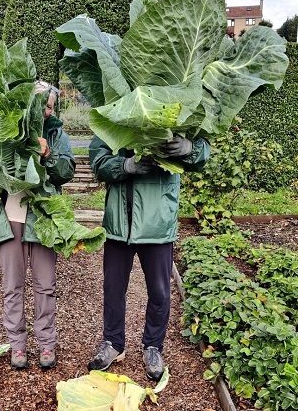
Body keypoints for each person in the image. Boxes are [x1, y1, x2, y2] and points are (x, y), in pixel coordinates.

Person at [87, 134, 210, 380]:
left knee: (160, 292)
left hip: (158, 223)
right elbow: (98, 162)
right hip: (118, 224)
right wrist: (125, 166)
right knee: (112, 289)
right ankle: (113, 343)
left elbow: (202, 149)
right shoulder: (115, 112)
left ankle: (153, 347)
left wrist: (189, 148)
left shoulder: (176, 109)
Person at [0, 80, 75, 371]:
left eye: (50, 106)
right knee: (12, 285)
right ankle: (17, 345)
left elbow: (66, 171)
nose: (45, 111)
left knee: (45, 285)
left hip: (43, 216)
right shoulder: (3, 127)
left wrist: (48, 155)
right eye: (40, 104)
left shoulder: (55, 133)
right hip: (9, 218)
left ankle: (46, 344)